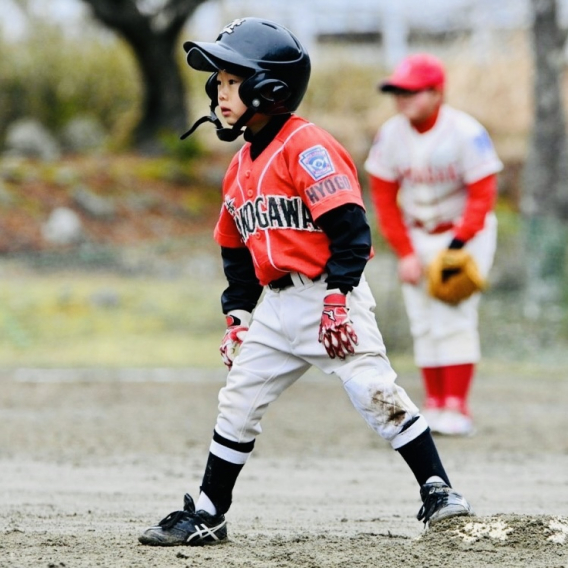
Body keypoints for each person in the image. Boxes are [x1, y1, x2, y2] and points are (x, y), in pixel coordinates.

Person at [138, 19, 473, 547]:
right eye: (218, 83)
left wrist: (339, 298)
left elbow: (350, 230)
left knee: (373, 389)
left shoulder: (306, 145)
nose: (218, 92)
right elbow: (235, 250)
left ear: (270, 87)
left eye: (230, 80)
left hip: (326, 295)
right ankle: (209, 510)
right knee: (238, 400)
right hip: (275, 307)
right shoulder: (240, 165)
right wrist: (239, 317)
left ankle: (439, 490)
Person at [364, 53, 502, 437]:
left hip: (463, 233)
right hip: (417, 233)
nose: (401, 98)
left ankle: (457, 405)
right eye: (397, 91)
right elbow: (383, 197)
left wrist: (457, 245)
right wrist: (406, 252)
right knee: (422, 319)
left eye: (411, 91)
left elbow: (483, 194)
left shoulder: (464, 131)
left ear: (436, 92)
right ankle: (435, 404)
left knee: (453, 314)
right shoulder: (391, 134)